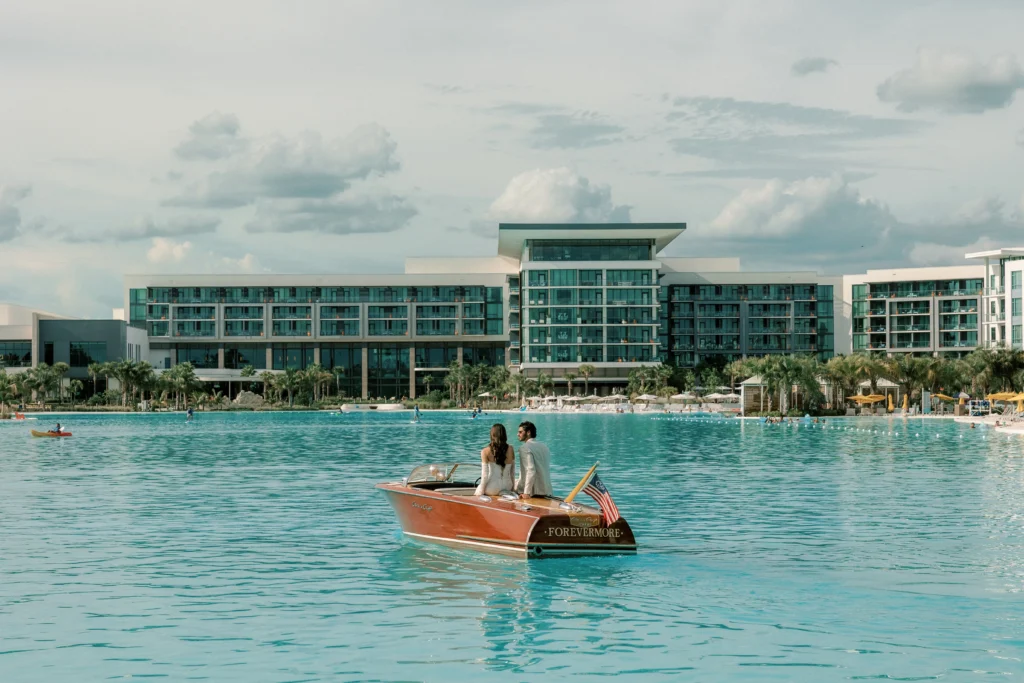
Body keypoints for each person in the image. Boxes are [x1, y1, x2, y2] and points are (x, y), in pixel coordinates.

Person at [474, 424, 516, 496]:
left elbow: (484, 476)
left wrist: (480, 491)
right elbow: (512, 472)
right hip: (507, 486)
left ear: (492, 435)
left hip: (492, 488)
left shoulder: (485, 451)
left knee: (478, 490)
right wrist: (513, 488)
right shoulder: (511, 449)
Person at [515, 421, 552, 499]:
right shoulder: (544, 447)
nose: (518, 434)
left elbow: (531, 470)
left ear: (528, 432)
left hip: (533, 491)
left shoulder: (525, 448)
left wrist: (526, 493)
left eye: (520, 432)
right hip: (546, 490)